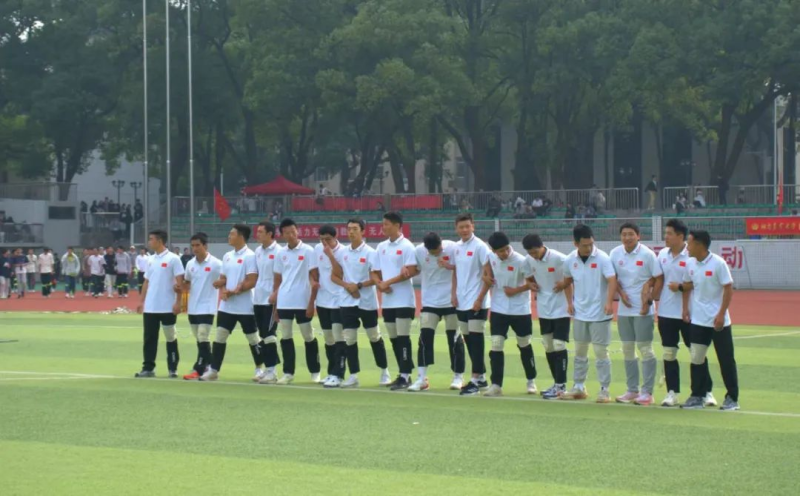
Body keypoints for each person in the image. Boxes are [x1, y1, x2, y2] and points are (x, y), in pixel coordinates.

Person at [652, 219, 716, 407]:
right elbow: (658, 278)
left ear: (680, 236)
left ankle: (707, 392)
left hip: (689, 313)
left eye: (669, 233)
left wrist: (680, 287)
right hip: (666, 313)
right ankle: (672, 392)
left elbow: (697, 282)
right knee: (669, 353)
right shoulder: (662, 254)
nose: (666, 237)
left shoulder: (692, 256)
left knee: (697, 353)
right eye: (666, 233)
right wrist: (649, 293)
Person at [680, 230, 740, 411]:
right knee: (697, 358)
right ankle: (697, 396)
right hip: (698, 321)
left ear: (699, 245)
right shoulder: (689, 263)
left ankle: (732, 398)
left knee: (726, 359)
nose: (687, 247)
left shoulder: (718, 263)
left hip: (718, 322)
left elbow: (728, 289)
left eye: (689, 243)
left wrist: (721, 314)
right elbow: (687, 286)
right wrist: (685, 309)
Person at [557, 224, 617, 402]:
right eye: (584, 245)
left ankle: (604, 389)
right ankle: (579, 386)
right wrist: (570, 302)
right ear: (575, 244)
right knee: (580, 352)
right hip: (580, 313)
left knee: (600, 352)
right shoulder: (570, 260)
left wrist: (609, 302)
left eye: (591, 244)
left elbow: (612, 280)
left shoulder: (603, 258)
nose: (589, 248)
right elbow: (567, 281)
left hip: (600, 313)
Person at [330, 218, 391, 388]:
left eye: (355, 229)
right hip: (346, 302)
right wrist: (347, 286)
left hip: (366, 302)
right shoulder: (342, 253)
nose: (351, 232)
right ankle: (353, 375)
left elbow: (376, 277)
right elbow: (334, 276)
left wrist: (358, 285)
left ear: (363, 231)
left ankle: (384, 371)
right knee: (349, 338)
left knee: (374, 336)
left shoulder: (371, 252)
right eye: (349, 229)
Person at [610, 222, 663, 406]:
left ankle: (647, 392)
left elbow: (658, 277)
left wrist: (649, 300)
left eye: (631, 234)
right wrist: (621, 294)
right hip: (624, 310)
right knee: (627, 349)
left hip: (643, 311)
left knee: (645, 349)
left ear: (638, 236)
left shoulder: (647, 254)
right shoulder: (615, 253)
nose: (627, 238)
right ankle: (632, 390)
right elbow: (612, 278)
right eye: (624, 234)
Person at [200, 225, 261, 381]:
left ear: (241, 236)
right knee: (220, 336)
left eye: (232, 234)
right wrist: (220, 285)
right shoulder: (227, 256)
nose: (229, 236)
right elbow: (224, 278)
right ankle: (214, 370)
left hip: (246, 306)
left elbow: (251, 281)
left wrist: (232, 292)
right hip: (227, 306)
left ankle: (260, 369)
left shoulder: (250, 256)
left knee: (253, 338)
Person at [482, 231, 538, 397]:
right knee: (496, 344)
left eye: (507, 248)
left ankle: (531, 380)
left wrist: (516, 290)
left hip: (520, 309)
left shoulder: (521, 260)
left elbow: (532, 284)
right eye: (501, 251)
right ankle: (496, 385)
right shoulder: (490, 257)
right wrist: (485, 277)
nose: (505, 253)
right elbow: (486, 269)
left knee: (524, 344)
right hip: (498, 308)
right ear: (494, 251)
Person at [371, 212, 419, 391]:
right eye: (383, 224)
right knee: (393, 338)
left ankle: (405, 375)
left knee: (403, 338)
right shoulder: (381, 246)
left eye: (387, 224)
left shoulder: (407, 246)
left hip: (404, 300)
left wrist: (387, 283)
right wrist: (379, 284)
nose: (383, 227)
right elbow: (374, 271)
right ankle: (403, 372)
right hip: (388, 301)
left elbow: (411, 271)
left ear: (398, 225)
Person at [270, 218, 321, 385]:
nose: (291, 235)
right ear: (282, 235)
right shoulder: (281, 253)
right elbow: (278, 280)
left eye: (293, 231)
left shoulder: (308, 251)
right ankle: (288, 372)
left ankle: (315, 371)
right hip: (284, 300)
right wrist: (276, 306)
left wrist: (312, 302)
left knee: (308, 335)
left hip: (302, 300)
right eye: (287, 233)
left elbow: (315, 276)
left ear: (297, 231)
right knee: (285, 336)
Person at [411, 232, 465, 391]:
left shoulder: (453, 248)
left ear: (442, 242)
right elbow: (415, 269)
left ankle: (458, 376)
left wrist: (450, 266)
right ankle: (421, 378)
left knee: (454, 339)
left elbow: (464, 268)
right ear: (427, 249)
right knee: (424, 338)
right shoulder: (419, 251)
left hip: (451, 301)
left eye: (439, 249)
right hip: (429, 302)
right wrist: (407, 271)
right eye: (433, 252)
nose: (437, 253)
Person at [522, 234, 573, 399]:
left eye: (535, 252)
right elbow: (528, 277)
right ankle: (556, 383)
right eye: (530, 253)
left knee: (559, 344)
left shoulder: (560, 259)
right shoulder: (528, 260)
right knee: (548, 345)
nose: (534, 255)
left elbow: (569, 280)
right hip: (544, 308)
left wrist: (570, 302)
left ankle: (561, 386)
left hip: (561, 308)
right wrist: (531, 284)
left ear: (542, 246)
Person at [135, 229, 184, 378]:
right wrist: (141, 301)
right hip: (151, 307)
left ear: (160, 241)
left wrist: (178, 303)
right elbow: (146, 282)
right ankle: (148, 368)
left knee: (170, 337)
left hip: (167, 306)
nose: (149, 242)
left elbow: (180, 283)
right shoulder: (150, 259)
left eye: (151, 239)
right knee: (149, 338)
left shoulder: (173, 259)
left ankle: (172, 368)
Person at [452, 213, 491, 396]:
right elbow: (456, 272)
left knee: (476, 340)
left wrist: (480, 299)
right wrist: (453, 294)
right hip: (462, 301)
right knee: (468, 340)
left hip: (477, 302)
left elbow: (488, 275)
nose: (465, 230)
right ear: (456, 229)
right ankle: (481, 377)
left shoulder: (480, 246)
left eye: (467, 226)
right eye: (461, 227)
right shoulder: (457, 247)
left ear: (473, 226)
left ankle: (475, 380)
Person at [181, 232, 223, 381]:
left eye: (198, 245)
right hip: (193, 307)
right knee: (200, 340)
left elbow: (225, 279)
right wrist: (180, 288)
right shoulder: (190, 264)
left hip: (208, 306)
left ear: (205, 246)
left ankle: (204, 368)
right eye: (193, 245)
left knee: (203, 336)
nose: (195, 248)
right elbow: (187, 282)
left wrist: (223, 288)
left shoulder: (216, 264)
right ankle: (207, 367)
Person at [314, 225, 347, 388]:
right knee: (328, 338)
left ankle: (339, 374)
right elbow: (315, 272)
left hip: (338, 300)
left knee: (338, 336)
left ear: (335, 237)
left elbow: (340, 274)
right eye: (322, 240)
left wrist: (331, 256)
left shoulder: (344, 252)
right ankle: (331, 371)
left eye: (327, 239)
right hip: (322, 300)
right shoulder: (317, 249)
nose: (324, 243)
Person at [252, 221, 283, 384]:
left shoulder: (279, 252)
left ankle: (272, 371)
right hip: (258, 298)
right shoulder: (257, 251)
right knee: (263, 334)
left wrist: (276, 295)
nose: (257, 234)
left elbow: (282, 276)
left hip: (271, 299)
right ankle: (268, 369)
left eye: (260, 232)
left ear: (270, 234)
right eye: (257, 231)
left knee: (270, 334)